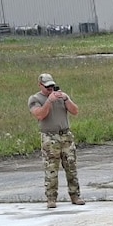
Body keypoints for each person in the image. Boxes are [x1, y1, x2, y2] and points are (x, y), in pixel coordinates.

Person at [27, 73, 82, 208]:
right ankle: (51, 198)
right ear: (40, 85)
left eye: (52, 86)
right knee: (51, 168)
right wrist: (49, 101)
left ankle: (75, 195)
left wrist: (65, 99)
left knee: (71, 166)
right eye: (47, 87)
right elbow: (40, 114)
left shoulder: (61, 96)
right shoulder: (35, 99)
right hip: (50, 137)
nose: (50, 89)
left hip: (65, 135)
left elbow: (75, 111)